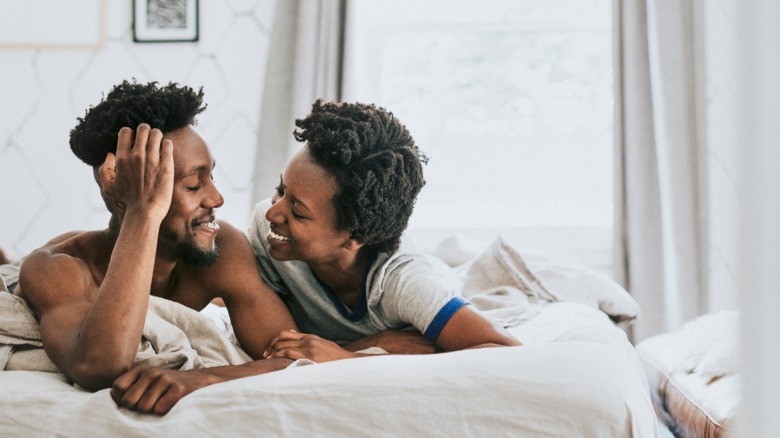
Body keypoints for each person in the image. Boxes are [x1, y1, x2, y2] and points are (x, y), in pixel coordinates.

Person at [15, 80, 297, 415]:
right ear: (119, 189)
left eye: (211, 177)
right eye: (193, 184)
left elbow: (293, 356)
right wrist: (142, 211)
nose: (216, 198)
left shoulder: (223, 248)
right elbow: (99, 366)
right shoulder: (56, 268)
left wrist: (203, 379)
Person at [250, 99, 521, 364]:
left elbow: (507, 351)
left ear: (354, 237)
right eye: (281, 190)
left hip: (435, 275)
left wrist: (348, 358)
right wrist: (372, 343)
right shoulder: (268, 231)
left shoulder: (405, 285)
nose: (272, 213)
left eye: (297, 212)